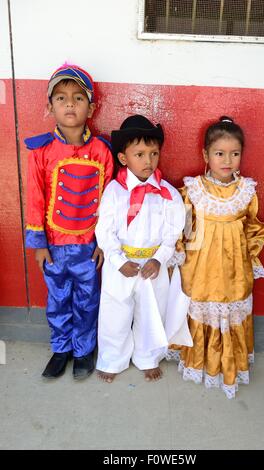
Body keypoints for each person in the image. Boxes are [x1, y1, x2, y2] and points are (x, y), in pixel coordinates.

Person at [167, 116, 264, 398]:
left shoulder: (247, 191)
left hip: (234, 268)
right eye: (220, 153)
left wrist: (247, 256)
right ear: (206, 155)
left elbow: (254, 227)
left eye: (235, 154)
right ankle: (198, 360)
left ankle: (229, 363)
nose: (228, 160)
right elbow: (183, 227)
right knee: (201, 304)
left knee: (232, 306)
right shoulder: (194, 190)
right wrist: (180, 255)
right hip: (202, 266)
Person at [25, 64, 114, 380]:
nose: (69, 104)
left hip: (89, 246)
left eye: (78, 98)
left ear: (91, 107)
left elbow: (110, 202)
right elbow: (35, 197)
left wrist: (104, 242)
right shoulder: (42, 151)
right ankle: (61, 348)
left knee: (88, 301)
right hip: (54, 246)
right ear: (50, 106)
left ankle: (83, 350)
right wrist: (38, 245)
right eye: (61, 98)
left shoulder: (103, 151)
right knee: (58, 300)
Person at [95, 114, 186, 382]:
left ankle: (147, 356)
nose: (148, 161)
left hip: (152, 268)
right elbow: (105, 229)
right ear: (124, 158)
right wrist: (116, 259)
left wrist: (159, 259)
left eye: (154, 153)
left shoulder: (168, 194)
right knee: (115, 313)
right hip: (120, 265)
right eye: (140, 154)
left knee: (151, 313)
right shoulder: (114, 191)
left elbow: (172, 234)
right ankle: (112, 359)